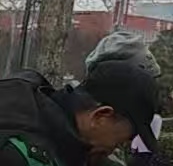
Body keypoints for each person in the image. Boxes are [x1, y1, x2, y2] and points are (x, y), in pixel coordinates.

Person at [0, 57, 162, 166]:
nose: (116, 149)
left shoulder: (46, 123)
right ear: (101, 116)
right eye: (123, 140)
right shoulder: (20, 154)